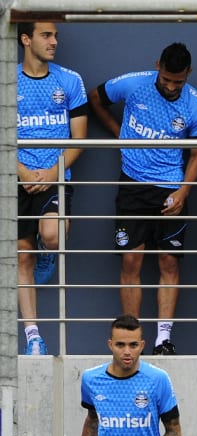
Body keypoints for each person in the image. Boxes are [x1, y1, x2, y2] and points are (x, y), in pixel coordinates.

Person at [88, 43, 197, 355]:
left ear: (189, 74)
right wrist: (118, 132)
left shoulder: (196, 105)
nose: (170, 87)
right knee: (131, 260)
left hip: (170, 189)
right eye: (166, 79)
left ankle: (163, 340)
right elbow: (94, 99)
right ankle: (131, 340)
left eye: (178, 82)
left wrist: (183, 191)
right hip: (133, 185)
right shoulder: (134, 84)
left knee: (168, 261)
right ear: (158, 66)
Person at [16, 22, 88, 356]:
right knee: (21, 254)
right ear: (26, 39)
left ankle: (48, 252)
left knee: (53, 236)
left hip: (55, 175)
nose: (54, 41)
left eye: (55, 35)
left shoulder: (69, 80)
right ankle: (33, 337)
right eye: (46, 35)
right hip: (16, 177)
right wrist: (21, 172)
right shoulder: (8, 80)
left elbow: (80, 140)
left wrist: (50, 171)